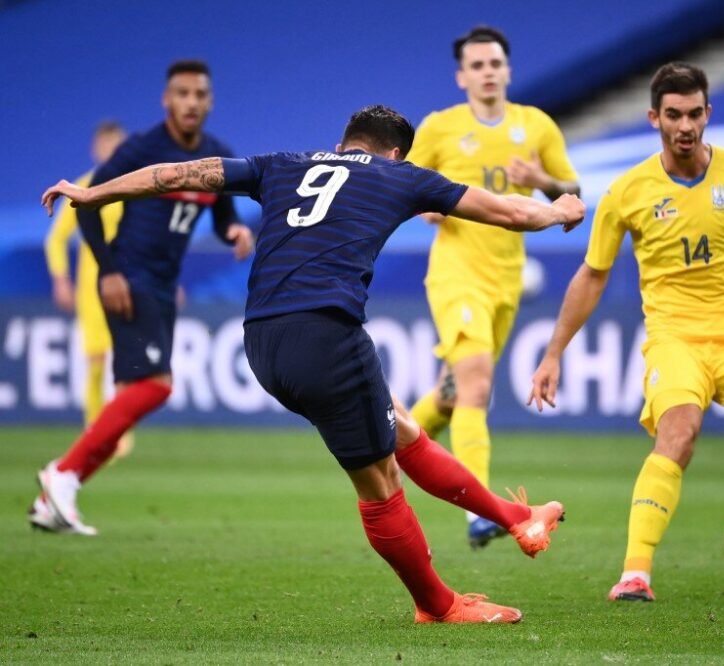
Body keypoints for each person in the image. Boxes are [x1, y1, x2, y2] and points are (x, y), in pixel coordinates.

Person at [41, 104, 583, 623]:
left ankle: (517, 519)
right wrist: (560, 209)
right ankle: (438, 605)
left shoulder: (282, 165)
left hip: (262, 342)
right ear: (394, 153)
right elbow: (510, 211)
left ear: (342, 142)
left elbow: (178, 174)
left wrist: (95, 193)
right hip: (324, 335)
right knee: (380, 481)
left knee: (402, 428)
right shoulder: (400, 176)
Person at [529, 63, 724, 601]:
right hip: (676, 341)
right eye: (673, 115)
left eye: (694, 114)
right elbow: (592, 276)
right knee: (679, 433)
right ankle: (635, 574)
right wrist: (554, 353)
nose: (685, 125)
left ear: (708, 114)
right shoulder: (628, 191)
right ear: (654, 118)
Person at [30, 60, 254, 536]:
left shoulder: (216, 153)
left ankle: (59, 492)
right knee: (156, 386)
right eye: (182, 93)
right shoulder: (143, 148)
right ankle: (64, 473)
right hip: (130, 277)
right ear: (166, 100)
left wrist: (232, 229)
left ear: (209, 102)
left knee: (138, 391)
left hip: (162, 284)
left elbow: (221, 211)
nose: (191, 102)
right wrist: (108, 271)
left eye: (199, 95)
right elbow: (86, 204)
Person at [406, 25, 581, 549]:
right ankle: (480, 511)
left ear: (507, 70)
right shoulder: (440, 128)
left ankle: (386, 446)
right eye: (477, 65)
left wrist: (544, 181)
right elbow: (404, 187)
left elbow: (572, 196)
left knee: (454, 392)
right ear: (462, 76)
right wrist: (426, 207)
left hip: (506, 279)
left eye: (494, 63)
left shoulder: (537, 127)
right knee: (477, 383)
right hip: (456, 273)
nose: (487, 72)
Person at [44, 120, 136, 460]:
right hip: (93, 289)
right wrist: (60, 279)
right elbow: (56, 241)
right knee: (97, 361)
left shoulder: (135, 187)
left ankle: (119, 430)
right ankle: (95, 429)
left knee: (128, 362)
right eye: (107, 147)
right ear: (97, 150)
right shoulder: (83, 187)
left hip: (131, 286)